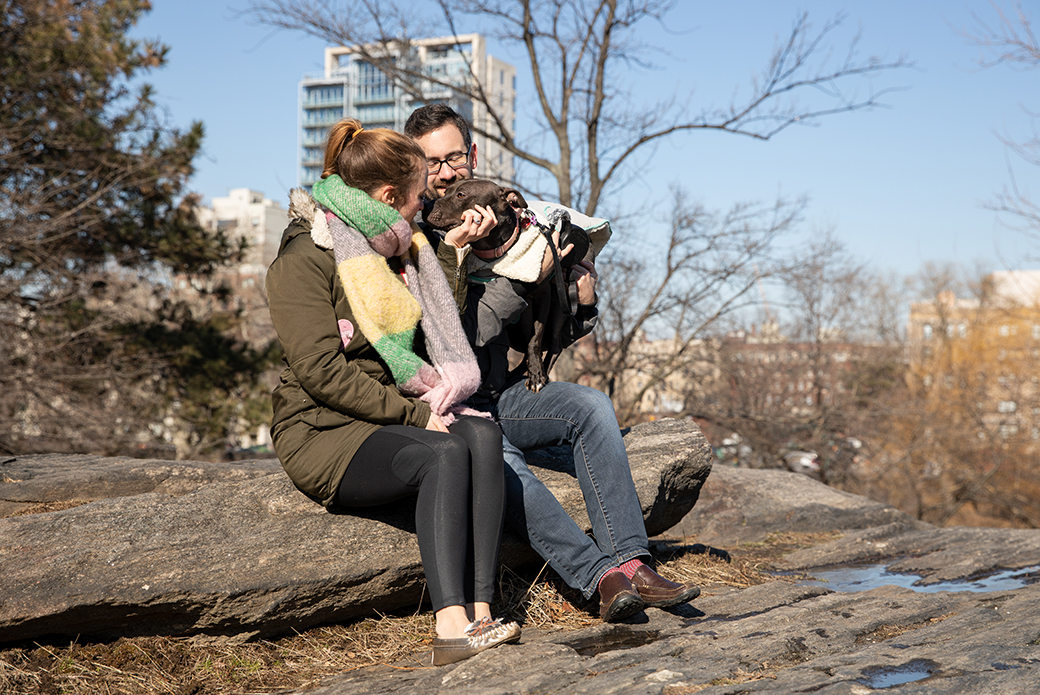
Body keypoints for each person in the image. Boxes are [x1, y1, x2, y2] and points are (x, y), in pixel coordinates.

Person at [405, 104, 701, 622]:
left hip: (506, 393)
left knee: (590, 406)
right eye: (433, 163)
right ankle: (599, 578)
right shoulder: (415, 238)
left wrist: (580, 300)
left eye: (456, 157)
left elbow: (545, 326)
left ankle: (632, 563)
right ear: (416, 167)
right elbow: (455, 339)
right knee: (498, 459)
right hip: (452, 408)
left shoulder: (513, 220)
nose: (449, 172)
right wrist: (512, 276)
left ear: (473, 156)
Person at [266, 117, 519, 666]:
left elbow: (435, 326)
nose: (422, 206)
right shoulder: (304, 259)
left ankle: (482, 608)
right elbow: (320, 373)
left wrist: (453, 255)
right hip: (321, 428)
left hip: (383, 412)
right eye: (415, 197)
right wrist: (412, 414)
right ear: (387, 196)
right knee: (445, 451)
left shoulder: (397, 247)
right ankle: (449, 626)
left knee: (481, 435)